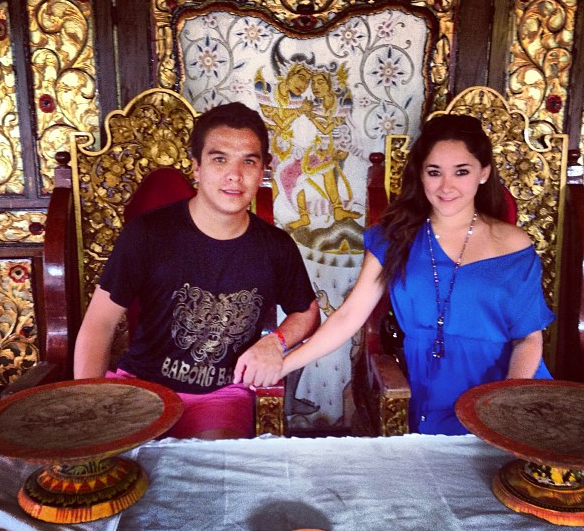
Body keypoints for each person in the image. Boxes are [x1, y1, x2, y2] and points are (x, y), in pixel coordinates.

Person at [236, 113, 554, 435]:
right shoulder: (394, 237)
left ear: (483, 173)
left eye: (462, 171)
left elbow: (528, 338)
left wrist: (504, 408)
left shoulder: (513, 243)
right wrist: (283, 364)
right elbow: (348, 317)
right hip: (431, 394)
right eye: (434, 172)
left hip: (504, 391)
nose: (446, 186)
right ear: (421, 174)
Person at [74, 102, 320, 440]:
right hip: (140, 387)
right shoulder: (147, 234)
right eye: (219, 159)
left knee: (209, 465)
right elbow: (99, 324)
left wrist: (275, 342)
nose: (235, 175)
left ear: (264, 169)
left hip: (221, 394)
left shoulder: (275, 246)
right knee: (118, 467)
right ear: (197, 167)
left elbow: (307, 312)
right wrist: (88, 406)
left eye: (248, 161)